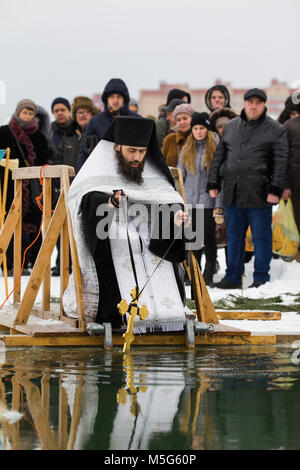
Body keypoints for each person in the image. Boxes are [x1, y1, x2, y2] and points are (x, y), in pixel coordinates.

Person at [62, 116, 189, 332]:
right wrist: (108, 202)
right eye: (131, 151)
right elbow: (85, 198)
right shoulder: (98, 168)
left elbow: (167, 198)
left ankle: (167, 314)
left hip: (148, 233)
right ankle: (113, 315)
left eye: (141, 151)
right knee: (119, 245)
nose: (137, 157)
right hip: (111, 231)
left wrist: (175, 216)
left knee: (152, 250)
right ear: (117, 147)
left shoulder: (153, 171)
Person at [207, 88, 288, 288]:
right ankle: (233, 276)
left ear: (264, 105)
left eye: (257, 103)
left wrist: (275, 189)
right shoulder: (232, 126)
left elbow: (281, 161)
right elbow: (220, 156)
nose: (253, 106)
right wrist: (213, 182)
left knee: (261, 237)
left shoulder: (275, 129)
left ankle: (261, 278)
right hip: (233, 191)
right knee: (234, 236)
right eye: (250, 102)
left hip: (259, 193)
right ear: (244, 103)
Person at [0, 99, 54, 274]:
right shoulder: (4, 132)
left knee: (33, 222)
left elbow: (44, 160)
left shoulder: (39, 136)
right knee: (10, 222)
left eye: (31, 113)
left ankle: (27, 261)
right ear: (18, 112)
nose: (28, 116)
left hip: (32, 187)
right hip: (8, 185)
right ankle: (7, 262)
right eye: (25, 112)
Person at [51, 96, 100, 276]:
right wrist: (58, 181)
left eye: (85, 112)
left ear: (91, 114)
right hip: (68, 188)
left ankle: (85, 264)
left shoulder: (96, 134)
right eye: (79, 112)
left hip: (89, 188)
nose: (82, 115)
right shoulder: (69, 135)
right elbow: (58, 158)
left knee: (84, 228)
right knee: (63, 228)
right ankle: (63, 263)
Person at [178, 112, 221, 286]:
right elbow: (180, 174)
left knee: (209, 236)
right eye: (195, 128)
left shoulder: (215, 147)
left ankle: (209, 270)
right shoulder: (187, 148)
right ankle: (193, 272)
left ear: (207, 129)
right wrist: (179, 196)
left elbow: (218, 174)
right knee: (192, 237)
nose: (198, 132)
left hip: (207, 199)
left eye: (202, 128)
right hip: (189, 199)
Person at [77, 78, 139, 171]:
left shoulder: (136, 120)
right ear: (106, 99)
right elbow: (84, 152)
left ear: (124, 99)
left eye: (118, 96)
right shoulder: (96, 121)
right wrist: (80, 176)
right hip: (103, 171)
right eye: (112, 96)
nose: (115, 100)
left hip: (131, 171)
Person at [283, 103, 300, 261]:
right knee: (297, 220)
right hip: (296, 183)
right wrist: (286, 185)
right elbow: (284, 157)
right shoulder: (290, 125)